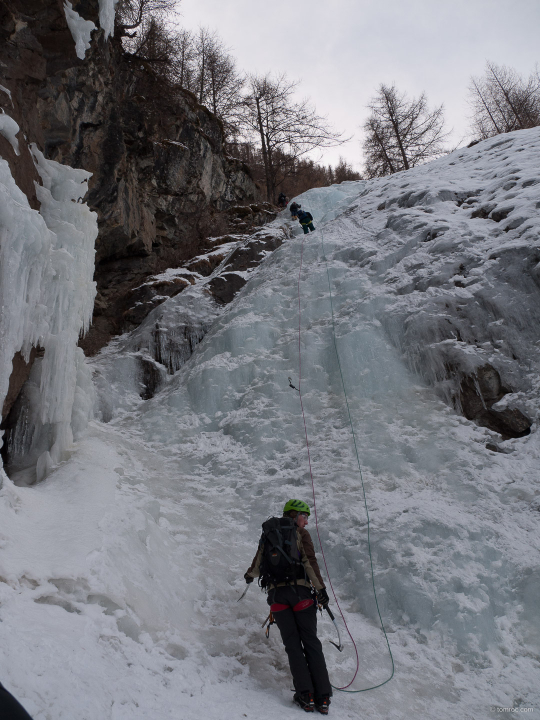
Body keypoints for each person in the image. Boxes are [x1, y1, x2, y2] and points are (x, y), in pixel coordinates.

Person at [244, 500, 332, 715]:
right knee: (310, 641)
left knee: (292, 644)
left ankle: (306, 695)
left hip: (277, 598)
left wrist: (249, 576)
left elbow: (257, 565)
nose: (307, 521)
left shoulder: (270, 533)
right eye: (304, 516)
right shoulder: (301, 534)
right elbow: (309, 562)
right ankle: (322, 697)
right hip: (300, 594)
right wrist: (320, 590)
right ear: (295, 516)